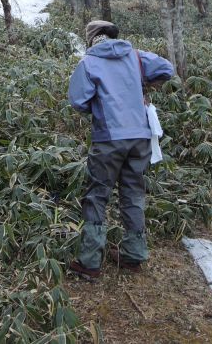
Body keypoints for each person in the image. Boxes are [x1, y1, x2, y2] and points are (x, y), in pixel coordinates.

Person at [67, 20, 175, 280]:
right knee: (133, 193)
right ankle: (133, 255)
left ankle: (90, 262)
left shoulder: (89, 63)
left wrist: (98, 107)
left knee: (97, 195)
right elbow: (166, 69)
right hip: (140, 136)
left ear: (92, 39)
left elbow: (78, 101)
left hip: (109, 138)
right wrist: (143, 86)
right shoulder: (136, 56)